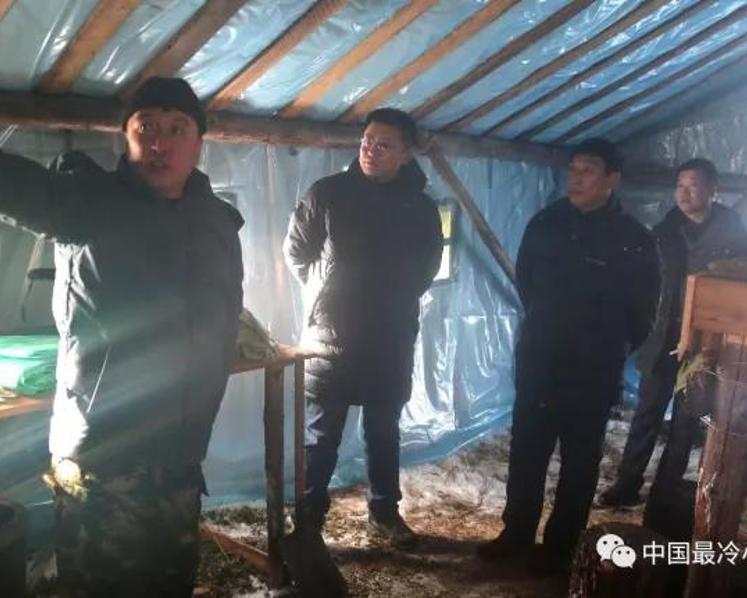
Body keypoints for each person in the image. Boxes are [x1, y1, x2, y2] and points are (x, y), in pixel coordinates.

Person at [0, 11, 243, 596]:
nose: (160, 141)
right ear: (125, 137)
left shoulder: (219, 223)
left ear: (199, 141)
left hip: (181, 456)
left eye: (177, 128)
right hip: (105, 458)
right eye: (146, 127)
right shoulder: (86, 203)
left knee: (170, 582)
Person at [478, 138, 660, 574]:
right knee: (527, 450)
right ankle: (516, 533)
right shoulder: (545, 224)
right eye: (573, 170)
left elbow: (643, 311)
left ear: (613, 180)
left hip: (593, 368)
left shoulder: (633, 240)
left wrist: (610, 347)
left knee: (580, 460)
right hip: (541, 359)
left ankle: (561, 545)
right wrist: (548, 329)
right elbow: (527, 284)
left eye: (587, 171)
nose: (575, 179)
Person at [283, 108, 442, 549]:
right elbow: (297, 252)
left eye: (384, 145)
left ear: (406, 155)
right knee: (321, 436)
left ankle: (384, 513)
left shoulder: (421, 209)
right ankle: (308, 522)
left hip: (391, 336)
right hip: (332, 334)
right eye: (367, 140)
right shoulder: (328, 194)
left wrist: (392, 297)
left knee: (383, 432)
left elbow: (428, 265)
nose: (371, 150)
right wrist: (328, 293)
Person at [599, 158, 747, 508]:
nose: (684, 194)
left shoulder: (737, 238)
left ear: (713, 189)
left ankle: (665, 490)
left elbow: (746, 289)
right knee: (647, 413)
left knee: (687, 418)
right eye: (680, 186)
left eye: (693, 185)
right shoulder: (662, 234)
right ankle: (626, 484)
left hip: (706, 341)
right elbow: (642, 286)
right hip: (663, 337)